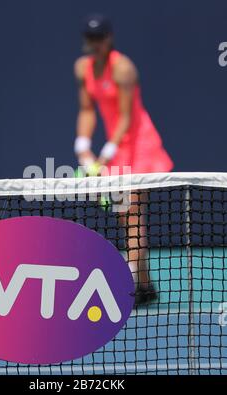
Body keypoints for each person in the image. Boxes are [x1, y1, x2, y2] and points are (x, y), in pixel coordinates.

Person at [74, 14, 174, 305]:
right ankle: (144, 284)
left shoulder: (123, 69)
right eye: (90, 39)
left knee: (133, 214)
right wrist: (82, 146)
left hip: (140, 146)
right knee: (124, 215)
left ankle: (130, 281)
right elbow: (87, 110)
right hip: (115, 149)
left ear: (109, 39)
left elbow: (127, 117)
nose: (95, 44)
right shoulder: (83, 68)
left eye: (99, 38)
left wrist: (105, 154)